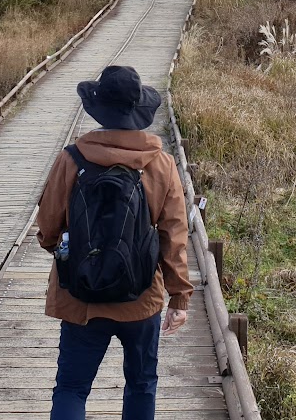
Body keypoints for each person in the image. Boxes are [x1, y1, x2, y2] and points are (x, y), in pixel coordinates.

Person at [38, 66, 191, 420]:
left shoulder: (71, 159)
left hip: (81, 297)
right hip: (141, 299)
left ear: (98, 109)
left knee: (72, 390)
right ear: (138, 112)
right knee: (141, 385)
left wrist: (71, 253)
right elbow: (173, 236)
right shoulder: (162, 164)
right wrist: (179, 296)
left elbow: (47, 229)